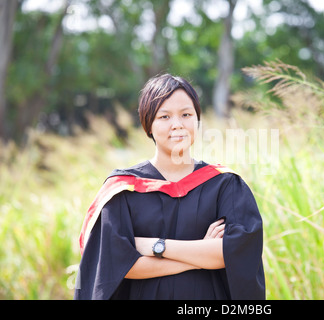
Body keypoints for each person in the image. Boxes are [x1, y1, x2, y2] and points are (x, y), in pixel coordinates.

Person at [74, 74, 265, 300]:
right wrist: (200, 255)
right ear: (149, 125)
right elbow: (119, 266)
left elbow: (233, 254)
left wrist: (157, 246)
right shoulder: (123, 191)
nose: (177, 125)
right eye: (164, 116)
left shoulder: (225, 185)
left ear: (197, 120)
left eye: (186, 114)